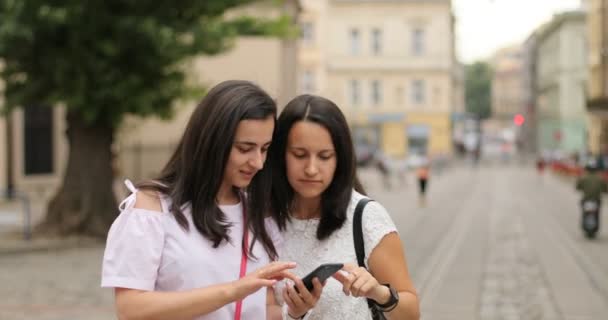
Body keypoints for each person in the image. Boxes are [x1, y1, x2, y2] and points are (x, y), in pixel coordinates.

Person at [101, 80, 304, 320]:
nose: (258, 162)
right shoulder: (151, 209)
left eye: (264, 148)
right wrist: (232, 290)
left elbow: (266, 308)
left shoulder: (260, 214)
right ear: (212, 141)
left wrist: (295, 313)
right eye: (245, 148)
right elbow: (131, 309)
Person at [268, 94, 420, 320]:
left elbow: (411, 313)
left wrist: (379, 292)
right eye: (300, 155)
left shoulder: (366, 216)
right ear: (280, 155)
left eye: (324, 156)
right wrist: (294, 314)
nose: (311, 168)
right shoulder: (262, 218)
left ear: (340, 159)